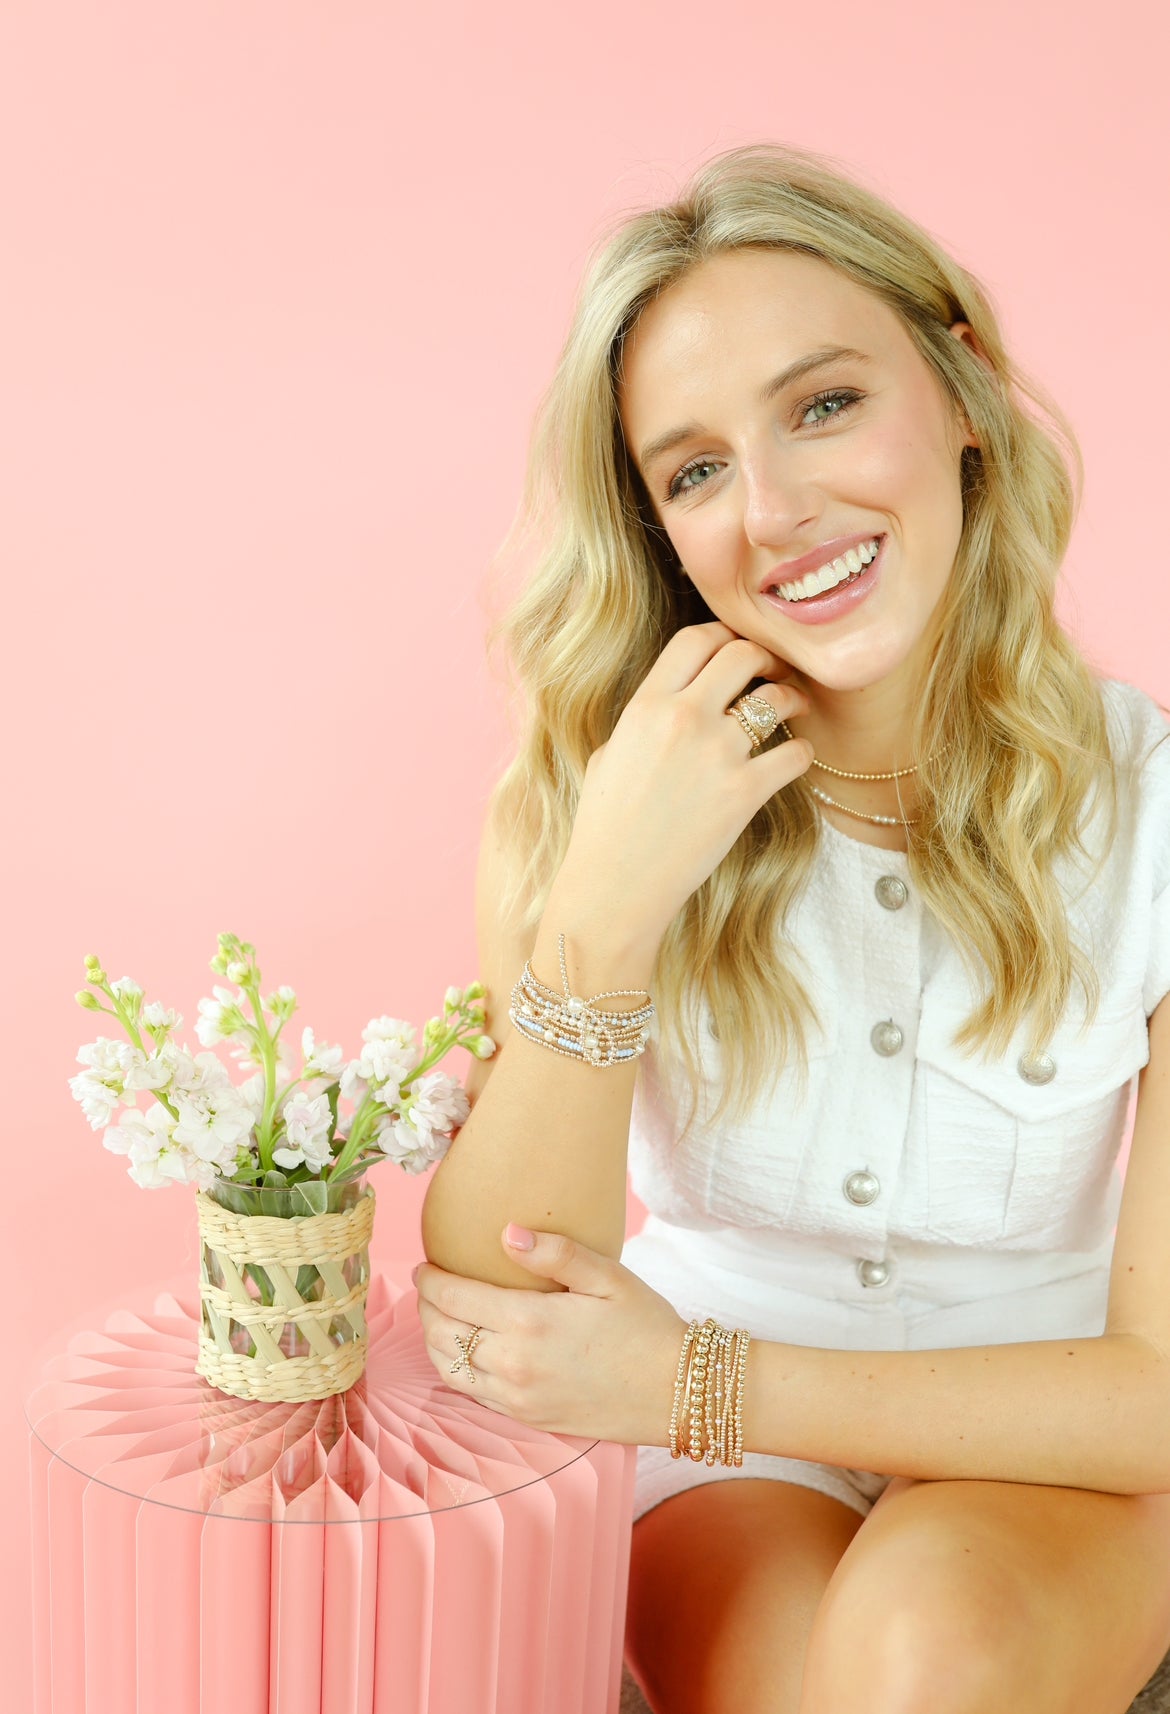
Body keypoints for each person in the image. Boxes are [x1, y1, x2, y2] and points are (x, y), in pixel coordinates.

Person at [415, 144, 1170, 1713]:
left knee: (927, 1643)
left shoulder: (1151, 807)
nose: (772, 510)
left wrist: (689, 1377)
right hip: (718, 1467)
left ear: (960, 390)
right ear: (660, 532)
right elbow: (505, 1296)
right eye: (691, 470)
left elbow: (1158, 1393)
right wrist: (606, 908)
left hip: (1057, 1427)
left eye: (822, 404)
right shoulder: (588, 800)